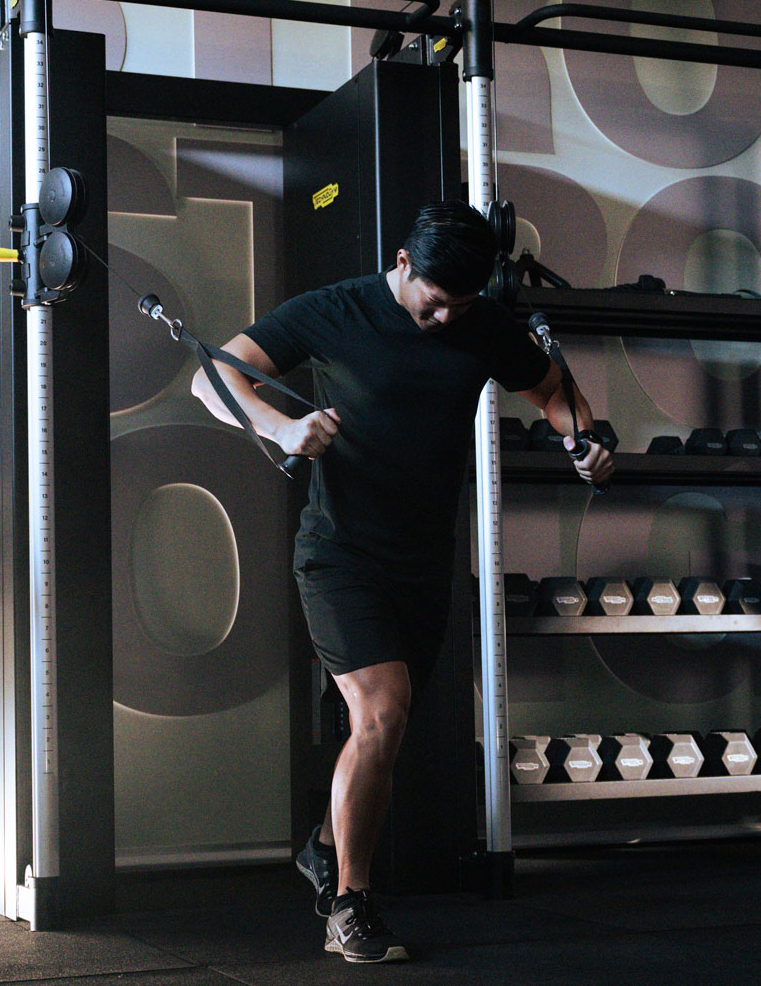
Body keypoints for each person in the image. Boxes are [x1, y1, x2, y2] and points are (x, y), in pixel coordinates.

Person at [192, 202, 613, 962]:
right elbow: (210, 376)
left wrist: (583, 438)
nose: (446, 316)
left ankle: (323, 846)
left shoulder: (482, 323)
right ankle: (350, 904)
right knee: (382, 713)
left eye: (462, 302)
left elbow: (555, 393)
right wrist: (282, 428)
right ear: (402, 263)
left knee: (385, 729)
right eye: (434, 300)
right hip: (340, 553)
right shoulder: (334, 310)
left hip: (424, 562)